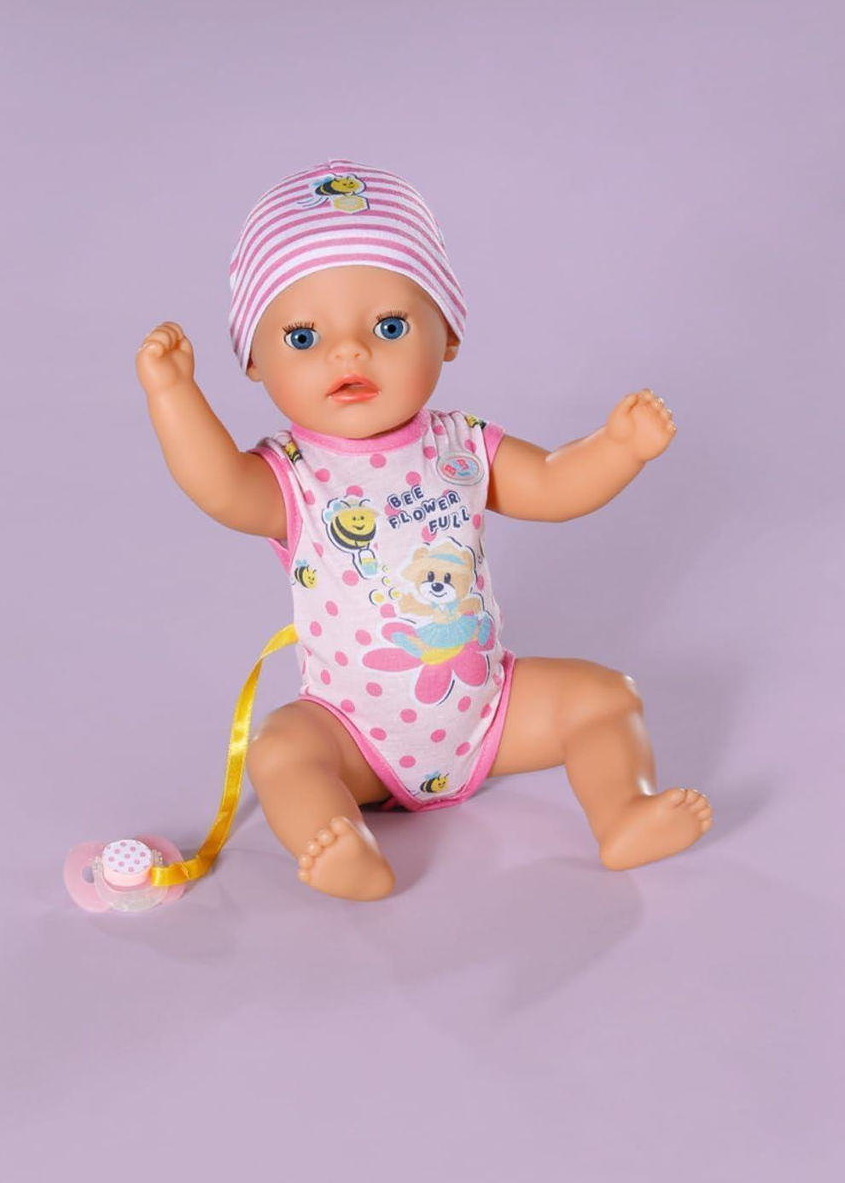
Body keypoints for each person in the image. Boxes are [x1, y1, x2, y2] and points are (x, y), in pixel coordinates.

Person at [135, 159, 712, 901]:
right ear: (253, 361)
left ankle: (623, 810)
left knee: (605, 696)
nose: (349, 352)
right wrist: (174, 395)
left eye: (389, 327)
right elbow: (218, 488)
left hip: (490, 711)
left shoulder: (461, 444)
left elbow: (552, 484)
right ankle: (339, 842)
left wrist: (618, 448)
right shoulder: (292, 474)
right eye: (303, 337)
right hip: (353, 735)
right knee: (281, 748)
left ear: (448, 336)